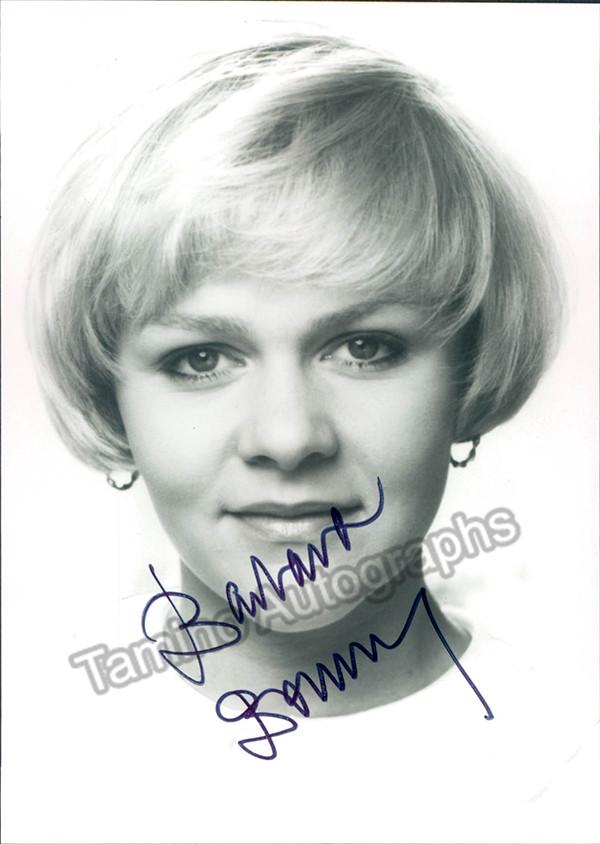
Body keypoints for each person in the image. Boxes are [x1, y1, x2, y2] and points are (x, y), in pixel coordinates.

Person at [28, 33, 561, 734]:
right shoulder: (32, 741)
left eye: (365, 348)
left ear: (472, 371)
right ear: (111, 399)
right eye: (201, 359)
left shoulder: (573, 754)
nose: (287, 437)